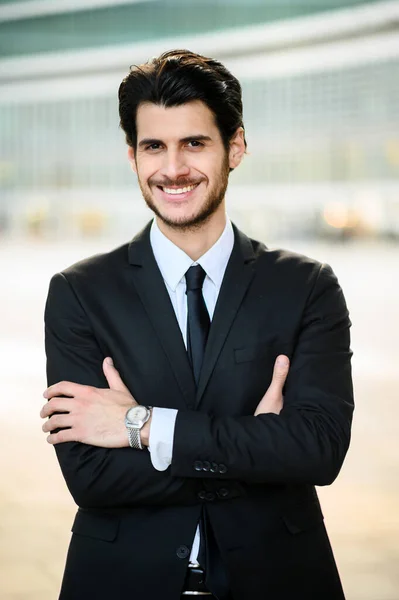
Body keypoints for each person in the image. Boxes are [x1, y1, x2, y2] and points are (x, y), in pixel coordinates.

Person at [41, 49, 354, 600]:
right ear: (132, 157)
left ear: (235, 146)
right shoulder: (80, 293)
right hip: (120, 582)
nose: (173, 168)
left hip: (279, 578)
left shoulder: (306, 286)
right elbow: (90, 475)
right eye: (153, 146)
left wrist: (142, 427)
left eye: (194, 143)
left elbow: (318, 450)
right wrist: (257, 447)